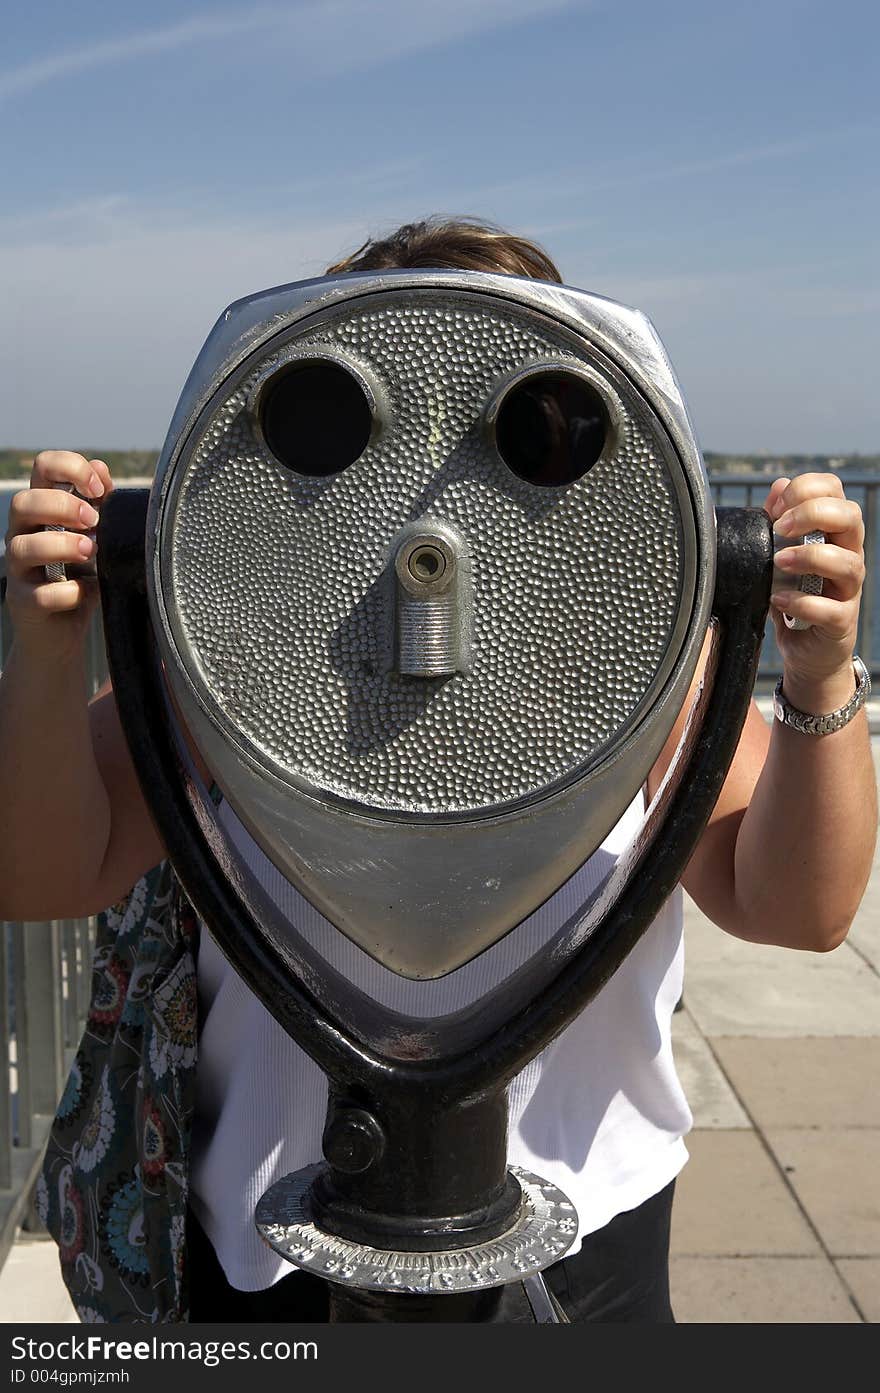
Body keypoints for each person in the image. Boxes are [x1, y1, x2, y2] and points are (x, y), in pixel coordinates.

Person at [0, 218, 875, 1324]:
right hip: (270, 1248)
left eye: (534, 436)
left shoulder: (644, 655)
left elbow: (793, 906)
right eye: (341, 436)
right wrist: (45, 648)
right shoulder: (228, 653)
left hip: (588, 1219)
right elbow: (38, 874)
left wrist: (815, 672)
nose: (439, 515)